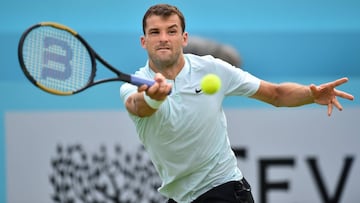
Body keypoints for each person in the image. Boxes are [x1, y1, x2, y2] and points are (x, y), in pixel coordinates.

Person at [120, 4, 354, 203]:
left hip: (223, 189)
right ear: (144, 41)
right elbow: (137, 106)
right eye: (155, 32)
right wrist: (154, 97)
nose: (163, 38)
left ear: (184, 38)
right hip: (180, 197)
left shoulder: (212, 68)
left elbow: (275, 94)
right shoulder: (133, 86)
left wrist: (310, 95)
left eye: (171, 31)